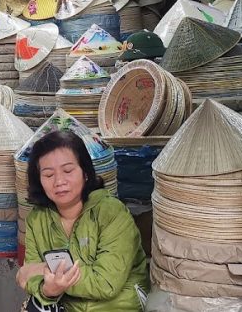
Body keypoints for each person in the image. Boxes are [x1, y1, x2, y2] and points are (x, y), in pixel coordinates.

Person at [16, 130, 149, 311]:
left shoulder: (112, 213)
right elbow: (28, 280)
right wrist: (48, 291)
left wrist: (45, 270)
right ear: (39, 180)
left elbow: (106, 284)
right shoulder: (37, 219)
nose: (59, 181)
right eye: (48, 175)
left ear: (85, 173)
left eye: (68, 170)